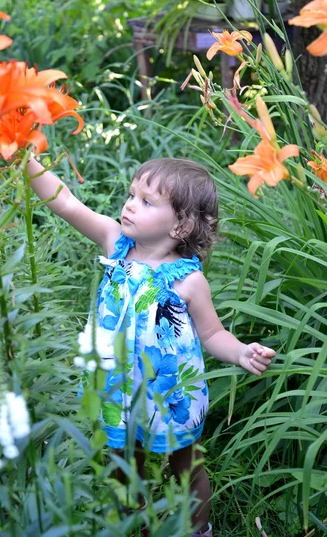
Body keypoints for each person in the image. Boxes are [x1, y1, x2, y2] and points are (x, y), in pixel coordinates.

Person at [26, 156, 276, 537]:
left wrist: (241, 351)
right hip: (118, 385)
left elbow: (211, 335)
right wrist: (22, 157)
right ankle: (137, 526)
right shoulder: (115, 243)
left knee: (185, 465)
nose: (129, 204)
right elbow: (65, 203)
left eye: (146, 201)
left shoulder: (189, 281)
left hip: (171, 390)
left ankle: (197, 529)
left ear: (182, 225)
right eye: (131, 194)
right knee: (125, 463)